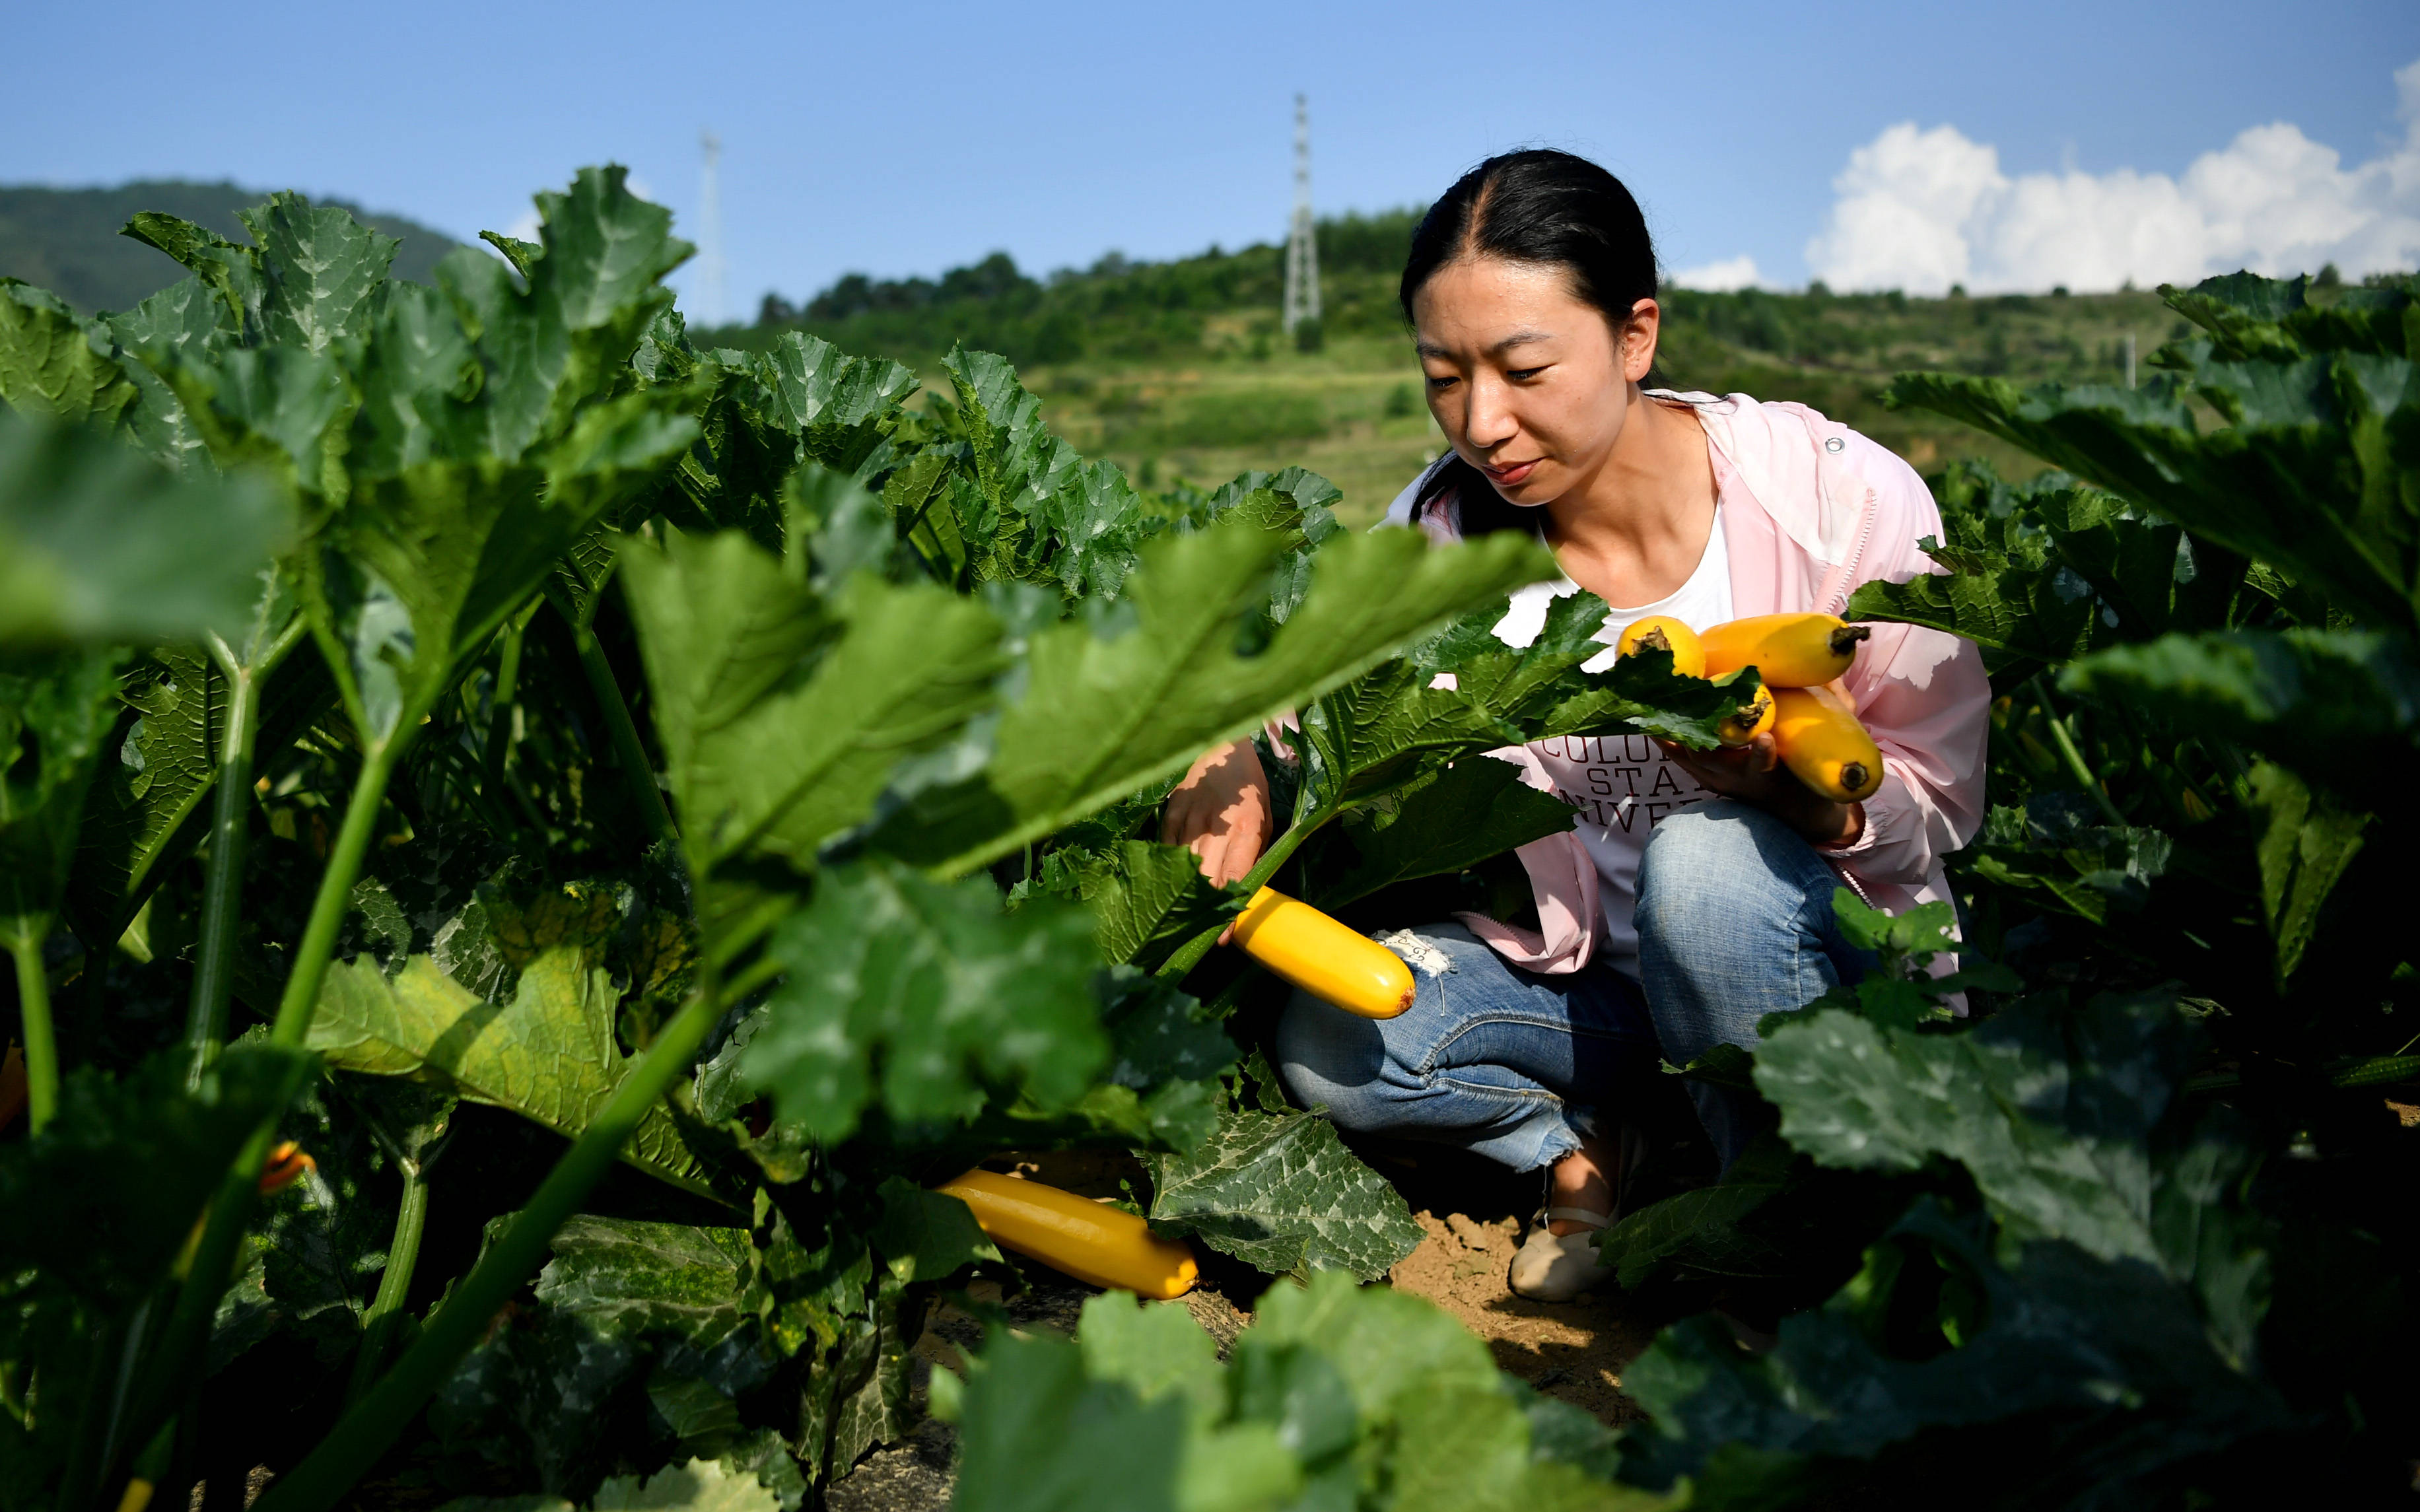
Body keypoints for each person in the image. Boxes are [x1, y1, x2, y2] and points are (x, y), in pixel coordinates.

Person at [1161, 149, 1988, 1302]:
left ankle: (1779, 1241)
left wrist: (1789, 796)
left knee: (1702, 866)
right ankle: (1603, 1142)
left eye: (1522, 367)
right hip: (1597, 993)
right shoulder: (1442, 532)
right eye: (1441, 376)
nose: (1480, 422)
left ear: (1635, 336)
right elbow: (1305, 688)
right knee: (1334, 1034)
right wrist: (1232, 753)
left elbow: (1942, 807)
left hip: (1833, 982)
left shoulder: (1837, 498)